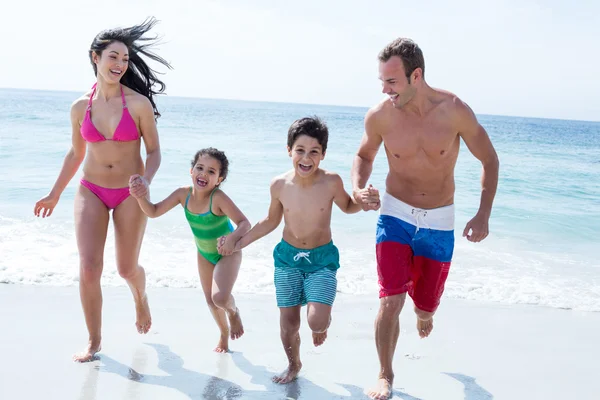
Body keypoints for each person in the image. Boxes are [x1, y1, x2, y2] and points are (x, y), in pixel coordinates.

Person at [351, 38, 499, 399]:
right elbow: (364, 154)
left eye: (392, 82)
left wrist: (483, 214)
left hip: (439, 220)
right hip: (395, 214)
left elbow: (489, 160)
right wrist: (359, 188)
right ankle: (385, 375)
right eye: (382, 82)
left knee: (424, 303)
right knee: (390, 299)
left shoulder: (454, 111)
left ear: (416, 76)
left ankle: (425, 312)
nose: (385, 91)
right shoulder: (380, 115)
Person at [33, 17, 172, 362]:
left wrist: (146, 182)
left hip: (130, 193)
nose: (120, 64)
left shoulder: (138, 104)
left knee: (126, 269)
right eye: (113, 57)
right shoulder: (80, 107)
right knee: (89, 267)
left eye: (125, 59)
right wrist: (54, 193)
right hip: (91, 190)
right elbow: (76, 153)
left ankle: (140, 297)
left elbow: (154, 151)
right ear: (95, 57)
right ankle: (94, 342)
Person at [230, 116, 368, 384]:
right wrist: (241, 241)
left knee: (316, 322)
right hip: (287, 259)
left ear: (323, 155)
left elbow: (349, 207)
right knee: (289, 324)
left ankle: (321, 322)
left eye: (314, 152)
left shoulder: (331, 182)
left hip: (321, 259)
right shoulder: (279, 185)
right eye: (300, 151)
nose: (306, 158)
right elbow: (271, 221)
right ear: (289, 150)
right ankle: (294, 364)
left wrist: (363, 201)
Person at [129, 147, 250, 353]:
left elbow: (244, 223)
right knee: (210, 302)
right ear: (191, 171)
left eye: (212, 172)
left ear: (219, 179)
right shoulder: (182, 194)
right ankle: (223, 334)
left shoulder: (218, 198)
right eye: (200, 168)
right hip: (203, 253)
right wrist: (140, 196)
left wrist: (231, 239)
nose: (204, 174)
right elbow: (154, 211)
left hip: (228, 253)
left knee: (219, 298)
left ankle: (233, 311)